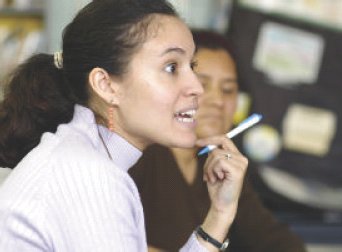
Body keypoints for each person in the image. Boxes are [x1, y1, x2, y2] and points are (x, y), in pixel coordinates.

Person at [0, 1, 248, 251]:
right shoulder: (89, 176)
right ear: (106, 85)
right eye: (171, 67)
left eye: (191, 66)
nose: (196, 87)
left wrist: (220, 214)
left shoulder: (85, 157)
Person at [129, 30, 307, 252]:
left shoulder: (222, 164)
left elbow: (278, 242)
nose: (218, 101)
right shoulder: (136, 153)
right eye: (202, 84)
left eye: (228, 90)